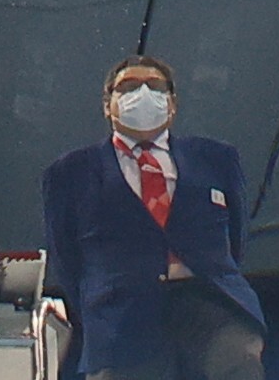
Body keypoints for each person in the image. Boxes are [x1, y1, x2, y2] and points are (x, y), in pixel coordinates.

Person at [39, 53, 264, 380]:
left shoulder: (216, 158)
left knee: (238, 361)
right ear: (108, 105)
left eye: (154, 86)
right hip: (120, 315)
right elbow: (65, 257)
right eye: (129, 87)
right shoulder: (70, 173)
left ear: (172, 104)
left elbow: (236, 236)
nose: (143, 93)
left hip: (210, 303)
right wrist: (101, 301)